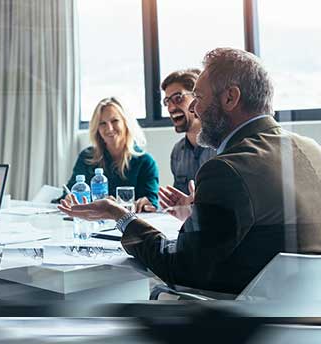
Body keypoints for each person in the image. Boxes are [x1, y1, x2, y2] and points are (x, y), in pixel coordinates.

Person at [58, 48, 321, 295]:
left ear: (230, 98)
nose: (193, 109)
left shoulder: (227, 168)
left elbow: (179, 266)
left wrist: (121, 216)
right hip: (305, 319)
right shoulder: (312, 150)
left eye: (199, 97)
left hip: (241, 323)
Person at [62, 97, 159, 213]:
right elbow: (68, 192)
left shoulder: (146, 162)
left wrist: (145, 203)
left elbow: (151, 200)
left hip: (130, 225)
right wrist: (69, 199)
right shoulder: (87, 157)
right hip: (92, 223)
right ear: (97, 129)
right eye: (102, 123)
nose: (109, 128)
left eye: (114, 121)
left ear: (126, 123)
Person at [161, 69, 216, 194]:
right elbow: (180, 202)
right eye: (167, 101)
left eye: (178, 98)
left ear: (198, 98)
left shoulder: (221, 146)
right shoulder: (177, 152)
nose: (171, 108)